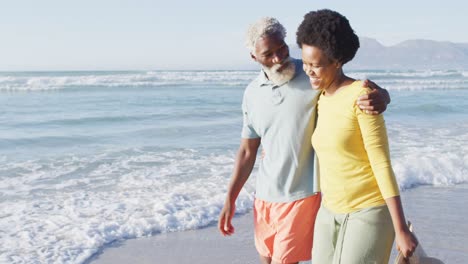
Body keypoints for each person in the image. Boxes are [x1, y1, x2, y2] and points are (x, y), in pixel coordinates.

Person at [218, 17, 390, 264]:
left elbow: (351, 89)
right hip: (265, 196)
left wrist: (383, 96)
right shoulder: (252, 94)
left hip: (301, 194)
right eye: (269, 54)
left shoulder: (312, 73)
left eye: (282, 49)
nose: (278, 58)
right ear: (254, 58)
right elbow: (247, 151)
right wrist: (230, 199)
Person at [296, 9, 418, 263]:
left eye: (316, 65)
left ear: (337, 61)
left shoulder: (362, 97)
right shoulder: (318, 95)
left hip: (368, 209)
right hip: (329, 211)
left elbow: (381, 162)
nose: (308, 71)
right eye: (305, 63)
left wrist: (401, 229)